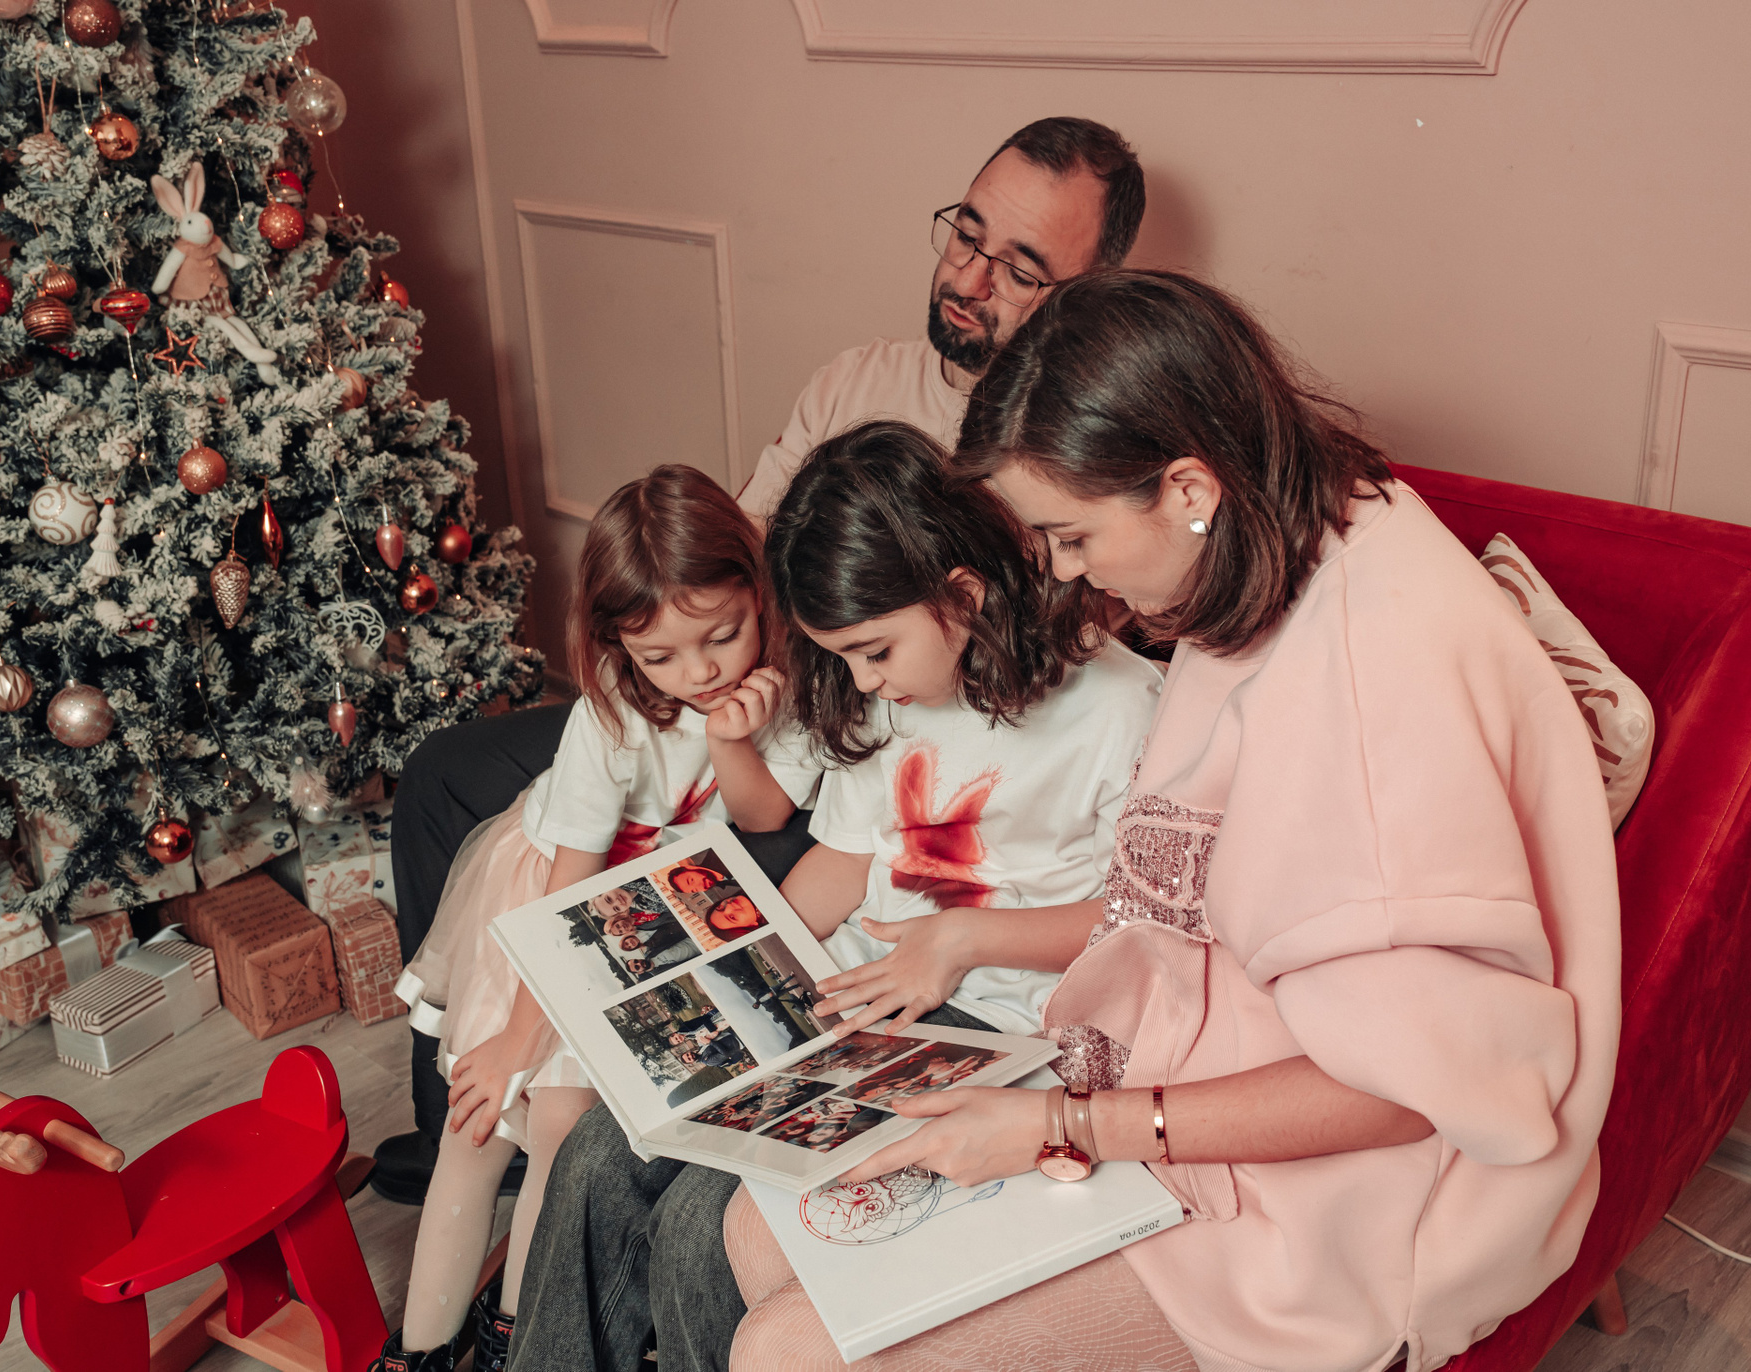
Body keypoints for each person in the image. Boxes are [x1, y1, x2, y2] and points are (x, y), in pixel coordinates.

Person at [722, 270, 1620, 1372]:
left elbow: (1402, 1095)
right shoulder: (1279, 533)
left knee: (786, 1350)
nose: (1063, 572)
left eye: (1071, 535)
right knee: (757, 1229)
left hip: (1327, 1203)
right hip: (1164, 1065)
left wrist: (1063, 1126)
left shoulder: (1371, 675)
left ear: (1188, 485)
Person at [376, 114, 1146, 1205]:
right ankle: (467, 1126)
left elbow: (1026, 695)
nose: (969, 278)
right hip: (744, 683)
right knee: (446, 777)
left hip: (824, 760)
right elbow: (734, 544)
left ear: (1084, 295)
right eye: (965, 235)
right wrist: (690, 672)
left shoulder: (1065, 459)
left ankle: (555, 1135)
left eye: (1018, 269)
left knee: (648, 874)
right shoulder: (859, 379)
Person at [509, 420, 1163, 1372]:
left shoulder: (1119, 707)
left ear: (963, 596)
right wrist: (732, 955)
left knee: (700, 1227)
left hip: (996, 1021)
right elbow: (843, 862)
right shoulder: (886, 690)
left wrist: (962, 940)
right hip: (847, 989)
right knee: (600, 1157)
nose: (862, 682)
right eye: (842, 655)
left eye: (873, 651)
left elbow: (1142, 925)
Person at [374, 465, 822, 1372]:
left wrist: (731, 740)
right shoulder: (611, 713)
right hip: (554, 902)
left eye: (723, 636)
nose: (700, 673)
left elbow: (765, 816)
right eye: (662, 657)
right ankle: (418, 1350)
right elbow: (566, 896)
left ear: (758, 593)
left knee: (563, 1132)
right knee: (480, 1115)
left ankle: (517, 1335)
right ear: (619, 644)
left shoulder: (787, 689)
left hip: (656, 919)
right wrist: (516, 1041)